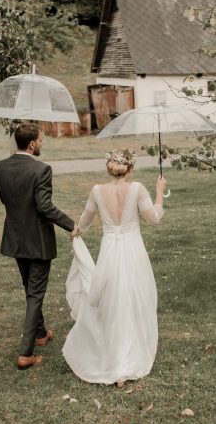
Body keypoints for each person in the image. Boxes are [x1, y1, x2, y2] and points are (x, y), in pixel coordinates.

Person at [62, 148, 167, 385]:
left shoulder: (97, 191)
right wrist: (160, 192)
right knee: (134, 299)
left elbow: (85, 222)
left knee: (113, 302)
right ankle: (127, 358)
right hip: (132, 251)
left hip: (110, 252)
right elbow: (154, 218)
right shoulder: (137, 188)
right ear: (130, 168)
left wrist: (77, 232)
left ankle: (115, 354)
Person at [0, 123, 78, 370]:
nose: (42, 144)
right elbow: (44, 206)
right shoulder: (41, 169)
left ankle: (41, 333)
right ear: (31, 144)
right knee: (35, 292)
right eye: (41, 140)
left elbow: (6, 200)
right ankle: (25, 353)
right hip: (38, 241)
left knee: (29, 288)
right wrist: (71, 224)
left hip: (15, 237)